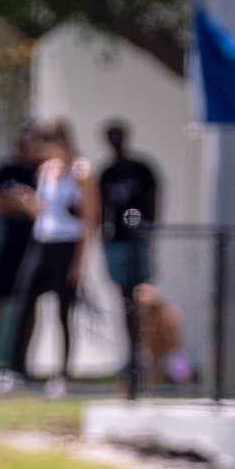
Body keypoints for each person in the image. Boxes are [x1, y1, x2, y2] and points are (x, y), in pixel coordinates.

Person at [7, 118, 99, 394]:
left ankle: (61, 375)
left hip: (67, 245)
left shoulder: (81, 172)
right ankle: (16, 369)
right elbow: (45, 213)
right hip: (42, 241)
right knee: (24, 306)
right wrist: (27, 203)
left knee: (63, 312)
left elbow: (90, 219)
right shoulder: (45, 170)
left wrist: (80, 263)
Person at [99, 121, 158, 396]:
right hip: (117, 243)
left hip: (139, 242)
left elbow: (153, 199)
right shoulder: (106, 173)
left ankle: (147, 351)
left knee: (142, 296)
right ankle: (131, 353)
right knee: (124, 300)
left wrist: (149, 228)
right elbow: (102, 209)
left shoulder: (141, 169)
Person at [0, 121, 41, 367]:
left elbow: (41, 210)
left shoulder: (43, 171)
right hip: (8, 244)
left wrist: (25, 204)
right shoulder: (6, 170)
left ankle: (21, 361)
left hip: (34, 246)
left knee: (29, 304)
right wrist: (20, 205)